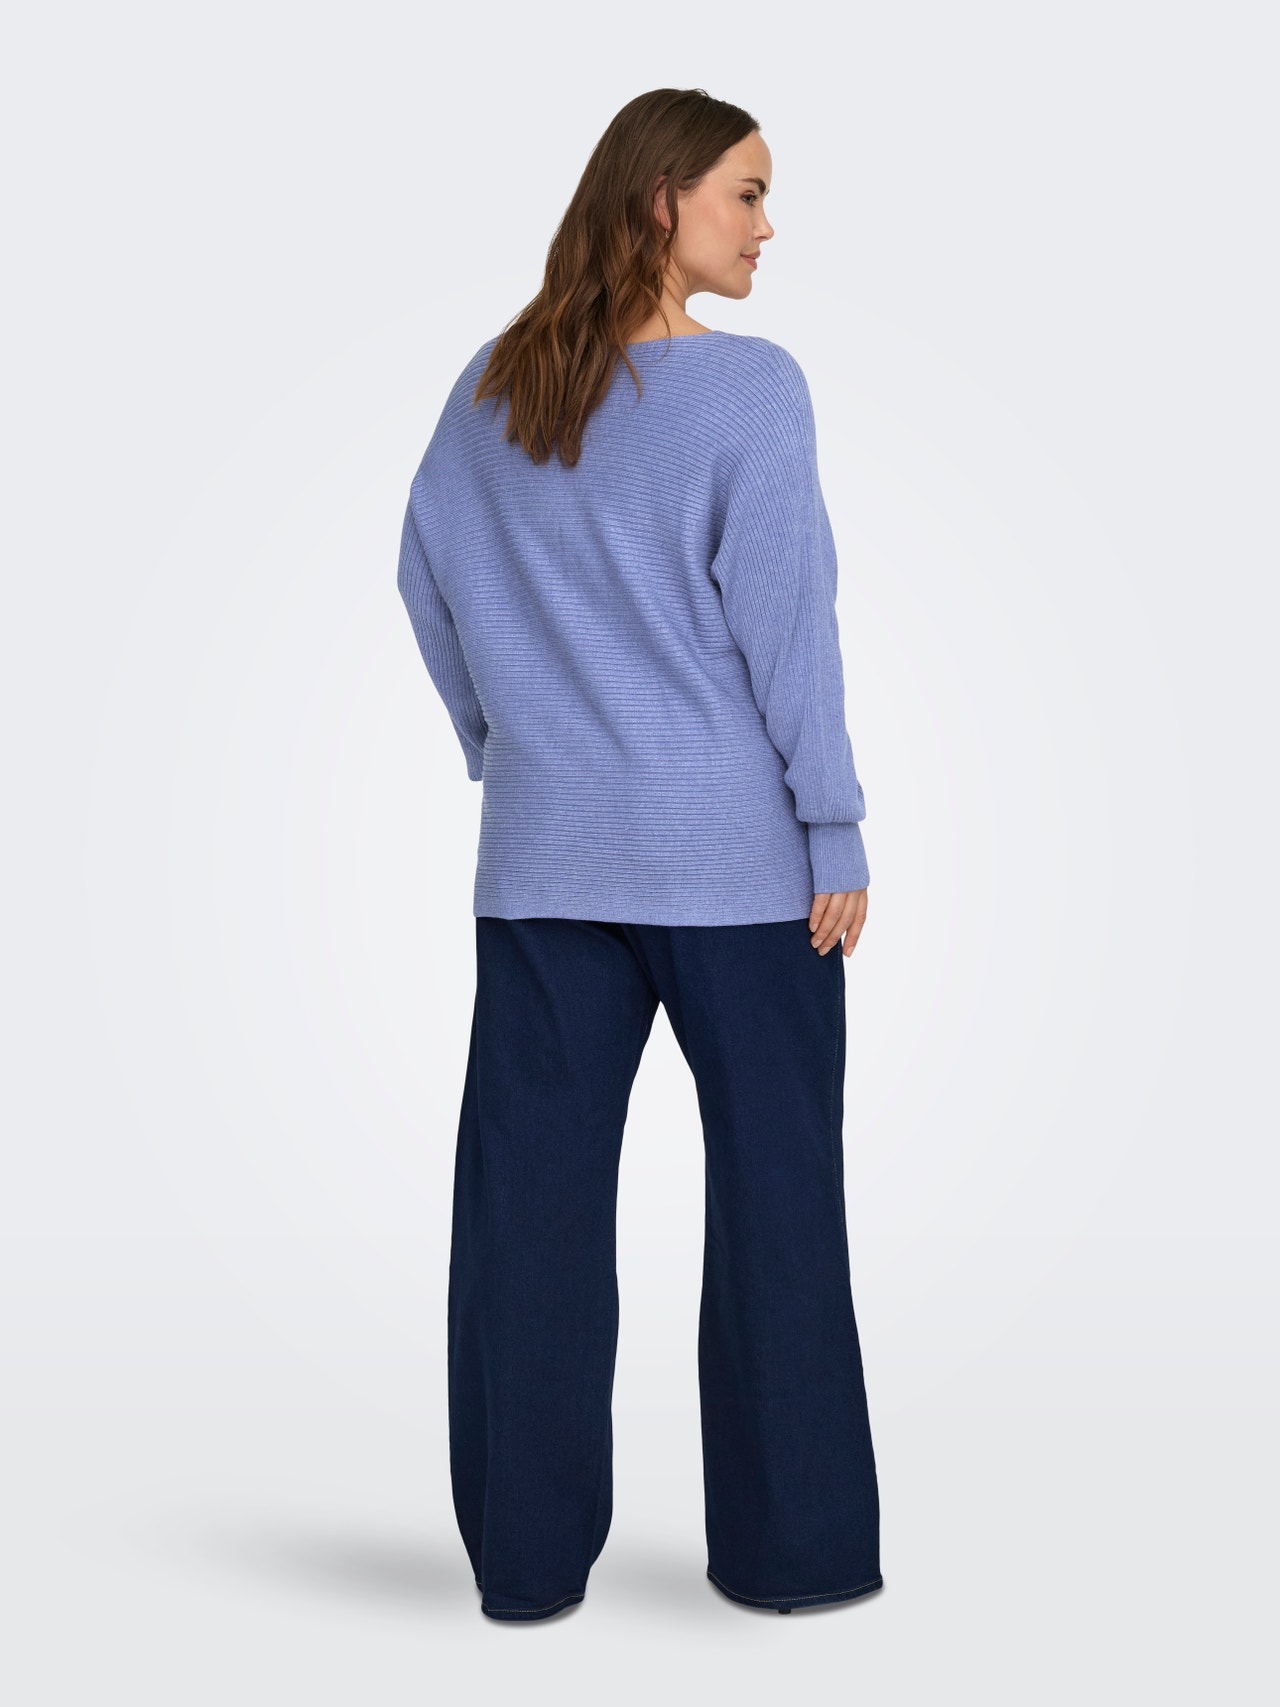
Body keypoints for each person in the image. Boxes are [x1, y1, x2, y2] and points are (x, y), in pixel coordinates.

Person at [396, 86, 882, 1622]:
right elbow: (788, 627)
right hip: (739, 872)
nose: (768, 225)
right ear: (662, 197)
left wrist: (510, 745)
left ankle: (527, 1569)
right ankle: (795, 1558)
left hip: (544, 869)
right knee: (779, 1206)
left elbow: (425, 582)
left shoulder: (497, 382)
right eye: (747, 192)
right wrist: (832, 822)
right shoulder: (751, 391)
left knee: (526, 1225)